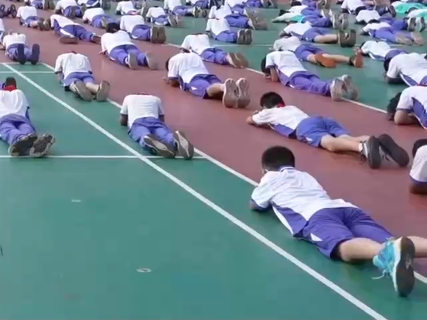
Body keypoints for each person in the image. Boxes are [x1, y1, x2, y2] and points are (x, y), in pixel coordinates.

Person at [251, 145, 423, 296]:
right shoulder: (304, 175)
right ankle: (393, 247)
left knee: (344, 247)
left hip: (315, 216)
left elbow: (256, 204)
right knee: (395, 241)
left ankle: (386, 254)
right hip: (344, 208)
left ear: (264, 168)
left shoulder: (268, 179)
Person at [248, 92, 406, 169]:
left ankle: (362, 148)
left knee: (330, 144)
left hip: (303, 127)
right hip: (320, 119)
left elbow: (249, 120)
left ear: (266, 107)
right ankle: (373, 139)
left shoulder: (267, 113)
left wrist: (257, 114)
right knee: (347, 138)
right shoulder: (291, 107)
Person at [0, 77, 54, 157]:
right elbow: (26, 111)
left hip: (4, 119)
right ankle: (31, 138)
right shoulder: (20, 92)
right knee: (26, 128)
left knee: (8, 130)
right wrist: (29, 124)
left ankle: (20, 139)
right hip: (21, 118)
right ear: (16, 86)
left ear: (4, 85)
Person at [118, 93, 195, 159]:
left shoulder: (129, 97)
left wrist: (126, 123)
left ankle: (148, 139)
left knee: (142, 135)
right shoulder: (155, 99)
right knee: (165, 134)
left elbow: (123, 120)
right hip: (154, 120)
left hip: (138, 122)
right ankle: (174, 139)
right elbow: (162, 119)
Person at [262, 50, 358, 100]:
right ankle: (340, 82)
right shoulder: (288, 52)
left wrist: (270, 75)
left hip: (291, 76)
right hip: (304, 71)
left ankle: (330, 86)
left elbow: (274, 78)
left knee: (310, 86)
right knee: (317, 81)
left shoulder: (269, 57)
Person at [165, 51, 249, 108]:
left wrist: (168, 81)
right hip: (208, 75)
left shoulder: (172, 60)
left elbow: (173, 81)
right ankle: (236, 93)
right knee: (217, 91)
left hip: (193, 78)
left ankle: (223, 87)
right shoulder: (193, 54)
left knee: (208, 90)